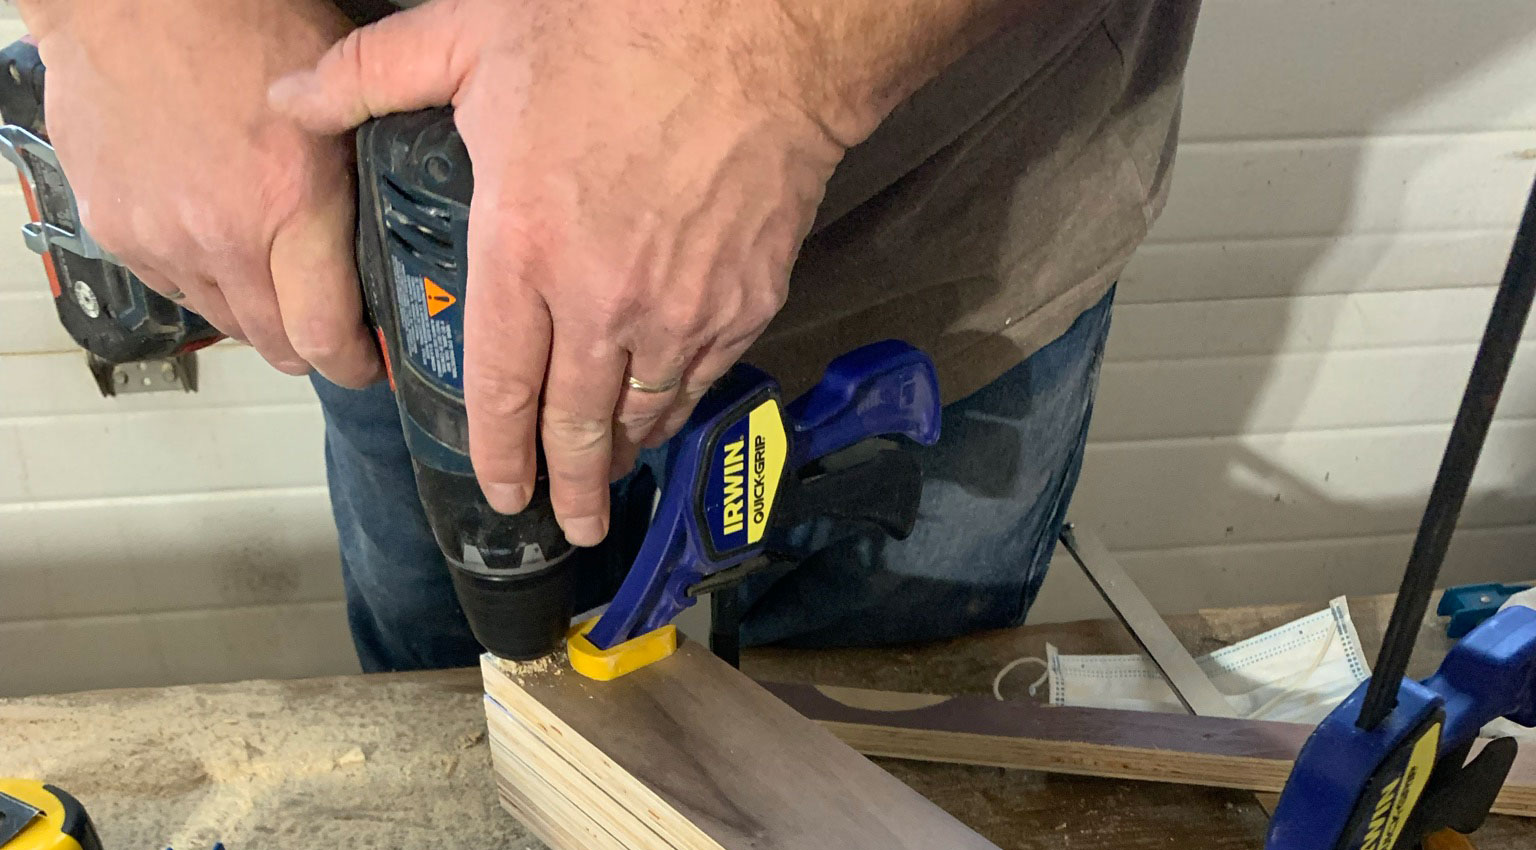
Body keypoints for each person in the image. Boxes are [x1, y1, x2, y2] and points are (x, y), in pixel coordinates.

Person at [25, 0, 1200, 670]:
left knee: (887, 776)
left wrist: (774, 51)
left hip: (954, 218)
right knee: (460, 741)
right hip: (413, 262)